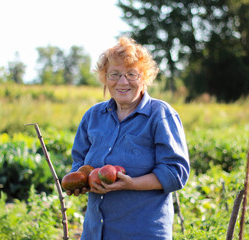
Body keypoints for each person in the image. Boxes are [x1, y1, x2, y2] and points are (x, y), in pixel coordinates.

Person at [67, 36, 190, 240]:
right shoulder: (93, 116)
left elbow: (176, 172)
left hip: (142, 231)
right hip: (95, 232)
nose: (123, 82)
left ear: (144, 78)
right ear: (105, 79)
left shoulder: (160, 115)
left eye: (131, 74)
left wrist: (130, 183)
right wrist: (80, 182)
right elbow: (79, 163)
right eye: (114, 74)